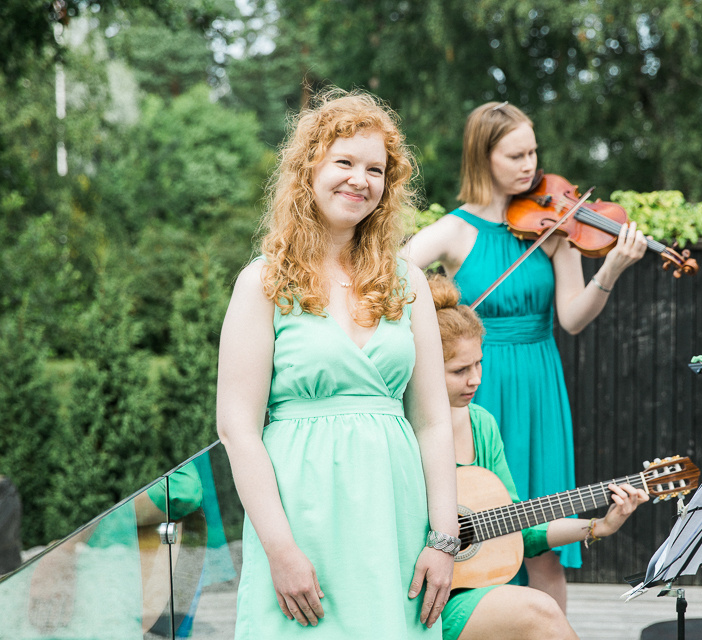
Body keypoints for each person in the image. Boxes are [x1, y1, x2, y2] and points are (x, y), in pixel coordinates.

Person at [217, 88, 458, 638]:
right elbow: (237, 428)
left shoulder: (409, 282)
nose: (360, 179)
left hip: (395, 519)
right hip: (300, 520)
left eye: (376, 169)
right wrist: (280, 550)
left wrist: (443, 539)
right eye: (344, 161)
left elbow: (434, 421)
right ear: (308, 169)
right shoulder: (262, 282)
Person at [404, 101, 648, 609]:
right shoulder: (455, 230)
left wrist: (612, 269)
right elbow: (392, 273)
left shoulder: (554, 230)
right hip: (476, 382)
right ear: (482, 157)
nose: (529, 165)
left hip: (539, 383)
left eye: (533, 152)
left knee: (542, 541)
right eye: (515, 155)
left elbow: (573, 318)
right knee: (479, 524)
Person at [428, 275, 647, 640]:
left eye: (479, 364)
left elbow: (520, 530)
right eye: (460, 371)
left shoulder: (481, 424)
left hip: (467, 592)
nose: (476, 380)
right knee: (540, 609)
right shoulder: (397, 426)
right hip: (418, 594)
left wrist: (598, 526)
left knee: (538, 608)